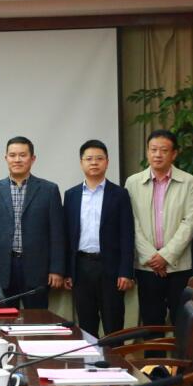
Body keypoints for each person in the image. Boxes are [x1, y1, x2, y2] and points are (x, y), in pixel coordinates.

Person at [125, 130, 193, 325]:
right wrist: (153, 257)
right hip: (147, 266)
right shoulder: (132, 183)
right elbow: (131, 223)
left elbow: (190, 222)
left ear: (174, 154)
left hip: (178, 265)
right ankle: (153, 349)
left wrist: (166, 256)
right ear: (147, 152)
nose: (158, 155)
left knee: (182, 321)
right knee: (151, 321)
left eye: (164, 150)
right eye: (153, 149)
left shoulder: (189, 182)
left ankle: (179, 349)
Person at [63, 140, 135, 338]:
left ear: (107, 162)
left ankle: (115, 359)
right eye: (89, 159)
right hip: (81, 266)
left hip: (110, 268)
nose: (94, 163)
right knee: (86, 324)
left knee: (114, 323)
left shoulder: (120, 194)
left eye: (99, 158)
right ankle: (90, 358)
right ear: (81, 163)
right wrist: (68, 271)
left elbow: (127, 234)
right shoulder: (71, 195)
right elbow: (67, 236)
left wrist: (126, 271)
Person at [0, 136, 64, 309]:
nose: (17, 160)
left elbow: (57, 233)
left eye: (23, 155)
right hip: (2, 268)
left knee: (38, 319)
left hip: (37, 268)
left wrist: (56, 269)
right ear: (6, 158)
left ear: (32, 158)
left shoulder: (49, 190)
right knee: (3, 318)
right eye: (12, 155)